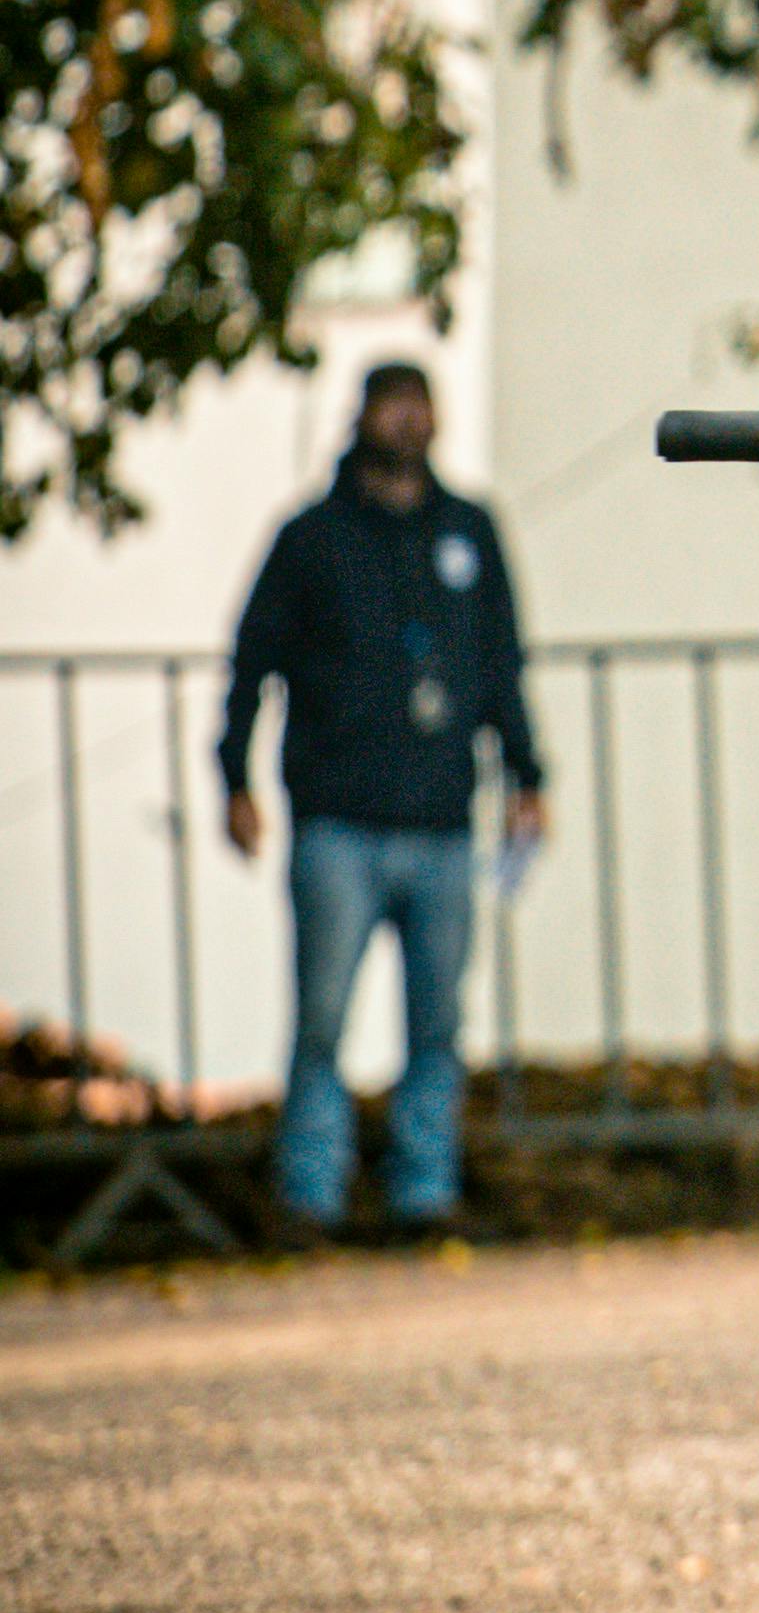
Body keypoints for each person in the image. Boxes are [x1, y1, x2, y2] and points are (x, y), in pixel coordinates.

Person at [219, 362, 547, 1232]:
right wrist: (234, 777)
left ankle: (424, 1193)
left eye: (419, 404)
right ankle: (311, 1193)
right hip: (337, 820)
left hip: (443, 819)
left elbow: (501, 668)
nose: (407, 422)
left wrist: (527, 775)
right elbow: (250, 661)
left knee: (438, 1026)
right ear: (361, 417)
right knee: (322, 1020)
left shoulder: (470, 531)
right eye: (391, 405)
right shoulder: (312, 538)